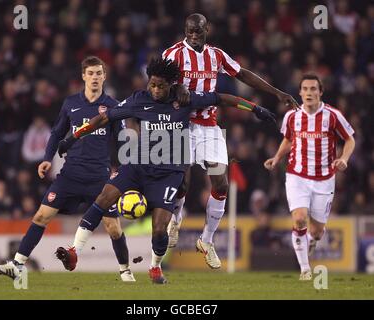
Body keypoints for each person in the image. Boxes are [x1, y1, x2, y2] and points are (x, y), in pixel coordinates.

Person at [56, 57, 276, 284]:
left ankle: (155, 267)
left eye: (161, 85)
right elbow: (103, 118)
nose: (156, 89)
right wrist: (73, 137)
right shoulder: (138, 100)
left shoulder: (185, 100)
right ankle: (74, 251)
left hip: (168, 173)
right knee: (103, 198)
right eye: (152, 84)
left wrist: (255, 108)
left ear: (171, 84)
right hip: (137, 166)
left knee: (160, 230)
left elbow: (223, 99)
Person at [162, 13, 299, 269]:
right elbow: (155, 85)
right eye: (190, 31)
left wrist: (277, 92)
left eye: (198, 31)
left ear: (207, 30)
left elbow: (243, 74)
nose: (194, 35)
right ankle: (176, 221)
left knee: (221, 183)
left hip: (209, 127)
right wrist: (172, 90)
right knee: (181, 182)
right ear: (185, 29)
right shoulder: (172, 54)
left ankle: (207, 240)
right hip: (180, 125)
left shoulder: (217, 55)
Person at [0, 56, 136, 282]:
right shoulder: (70, 103)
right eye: (91, 73)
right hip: (70, 174)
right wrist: (47, 158)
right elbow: (57, 133)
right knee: (40, 216)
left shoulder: (113, 106)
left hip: (99, 177)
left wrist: (124, 170)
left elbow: (123, 141)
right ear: (83, 76)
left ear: (105, 76)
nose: (95, 77)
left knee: (113, 227)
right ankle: (17, 264)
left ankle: (125, 271)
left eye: (99, 73)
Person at [264, 74, 355, 280]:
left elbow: (350, 140)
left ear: (320, 92)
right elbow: (288, 139)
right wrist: (277, 158)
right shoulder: (291, 116)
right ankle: (305, 270)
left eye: (313, 89)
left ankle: (312, 241)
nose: (309, 93)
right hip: (297, 176)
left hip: (324, 179)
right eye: (305, 89)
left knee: (317, 232)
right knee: (299, 219)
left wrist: (344, 158)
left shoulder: (332, 115)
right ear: (300, 93)